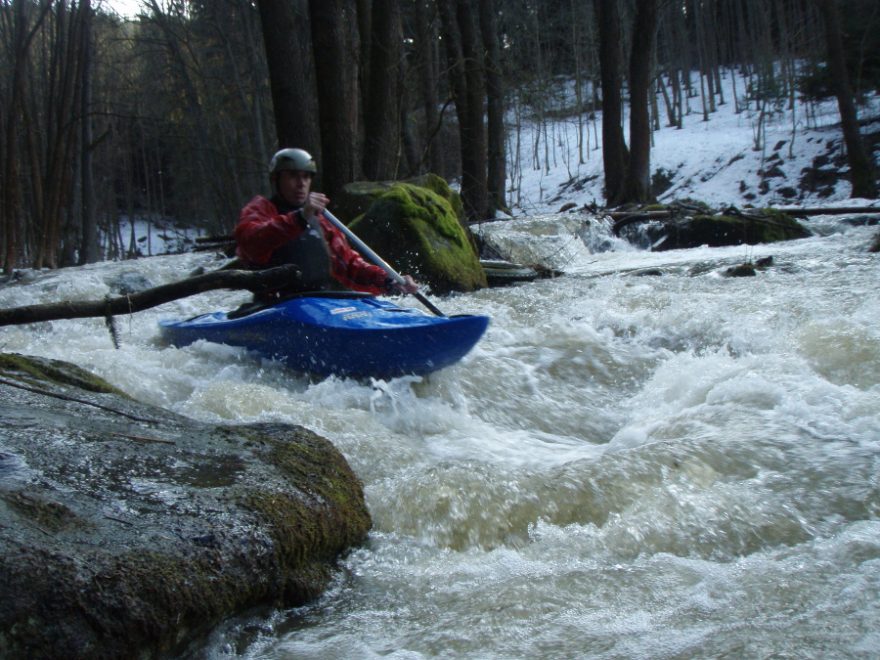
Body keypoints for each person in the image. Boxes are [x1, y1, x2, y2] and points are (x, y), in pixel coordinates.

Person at [235, 148, 419, 301]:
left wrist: (387, 280)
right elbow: (252, 243)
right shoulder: (259, 210)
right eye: (293, 176)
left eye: (306, 177)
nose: (301, 184)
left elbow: (349, 265)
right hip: (277, 305)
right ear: (276, 179)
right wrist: (299, 218)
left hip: (323, 302)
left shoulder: (321, 220)